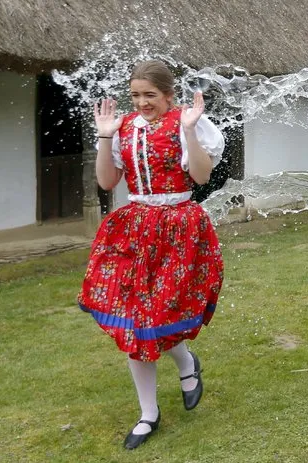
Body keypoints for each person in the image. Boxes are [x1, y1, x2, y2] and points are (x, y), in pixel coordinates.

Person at [77, 60, 225, 450]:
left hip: (179, 228)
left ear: (168, 94)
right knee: (134, 322)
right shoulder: (124, 128)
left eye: (150, 95)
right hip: (135, 228)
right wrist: (106, 138)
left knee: (159, 314)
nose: (142, 103)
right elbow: (108, 182)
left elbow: (201, 176)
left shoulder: (186, 122)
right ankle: (148, 413)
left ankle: (185, 364)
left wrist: (190, 131)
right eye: (136, 95)